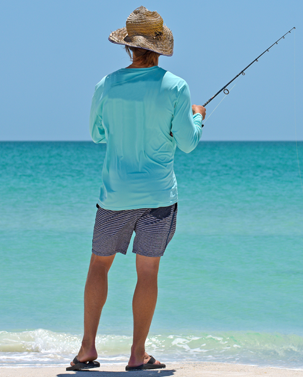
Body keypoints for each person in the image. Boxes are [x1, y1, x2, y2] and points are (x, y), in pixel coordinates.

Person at [67, 6, 206, 372]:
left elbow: (97, 135)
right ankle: (137, 354)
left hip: (114, 195)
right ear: (159, 46)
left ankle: (86, 350)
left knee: (99, 266)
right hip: (159, 196)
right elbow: (188, 143)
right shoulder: (176, 86)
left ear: (128, 46)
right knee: (148, 273)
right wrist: (197, 117)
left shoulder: (107, 84)